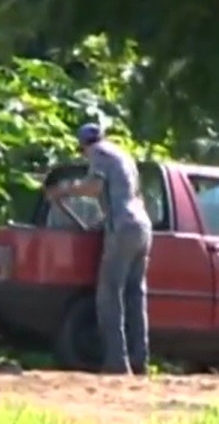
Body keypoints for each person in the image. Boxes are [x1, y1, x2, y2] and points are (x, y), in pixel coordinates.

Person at [46, 123, 153, 375]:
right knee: (135, 294)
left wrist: (65, 190)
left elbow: (94, 187)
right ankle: (140, 360)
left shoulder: (99, 154)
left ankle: (116, 362)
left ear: (84, 145)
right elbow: (125, 193)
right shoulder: (123, 155)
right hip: (142, 226)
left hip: (123, 226)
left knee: (109, 293)